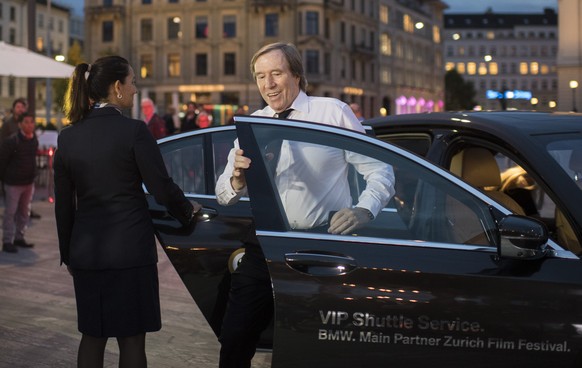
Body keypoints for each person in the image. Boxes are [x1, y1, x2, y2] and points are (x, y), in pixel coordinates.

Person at [215, 42, 395, 368]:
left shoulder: (332, 112)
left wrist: (363, 209)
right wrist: (238, 181)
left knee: (311, 343)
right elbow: (223, 195)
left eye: (276, 74)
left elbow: (380, 169)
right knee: (234, 337)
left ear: (296, 74)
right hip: (264, 243)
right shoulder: (253, 123)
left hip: (321, 245)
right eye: (260, 76)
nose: (268, 84)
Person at [54, 56, 199, 368]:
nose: (135, 90)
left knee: (92, 336)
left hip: (87, 252)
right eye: (132, 82)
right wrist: (189, 213)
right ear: (117, 87)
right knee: (131, 339)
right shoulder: (133, 131)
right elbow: (161, 187)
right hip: (130, 252)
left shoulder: (67, 137)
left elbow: (64, 205)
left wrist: (69, 254)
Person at [0, 112, 39, 253]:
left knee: (24, 212)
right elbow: (2, 162)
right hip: (13, 183)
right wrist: (4, 179)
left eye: (31, 122)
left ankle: (19, 238)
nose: (30, 125)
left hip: (28, 183)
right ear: (20, 125)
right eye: (26, 122)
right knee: (10, 212)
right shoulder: (12, 141)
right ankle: (7, 241)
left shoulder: (34, 139)